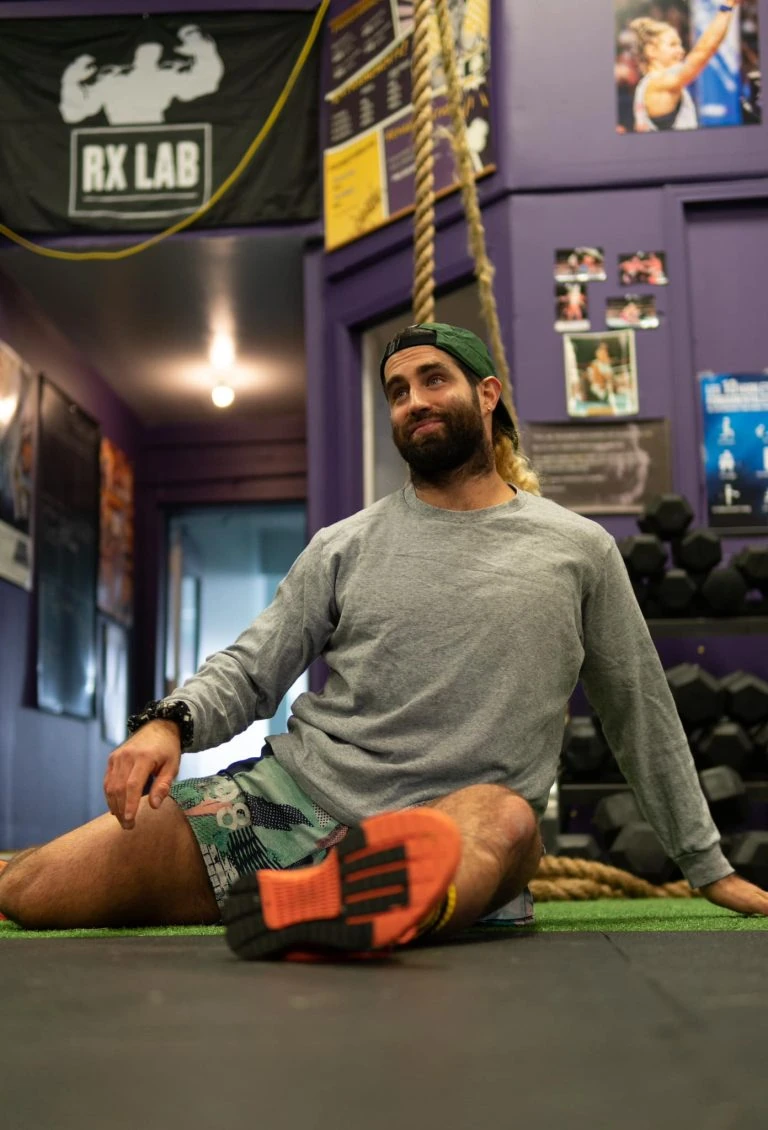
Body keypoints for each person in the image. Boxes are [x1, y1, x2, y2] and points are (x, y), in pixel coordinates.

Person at [2, 322, 767, 956]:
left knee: (510, 823)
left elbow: (640, 709)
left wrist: (706, 865)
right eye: (397, 392)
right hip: (292, 803)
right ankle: (321, 898)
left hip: (456, 826)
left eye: (433, 380)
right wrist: (168, 722)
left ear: (487, 395)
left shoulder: (577, 550)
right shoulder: (345, 545)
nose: (413, 402)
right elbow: (252, 667)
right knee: (35, 891)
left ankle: (356, 896)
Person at [631, 1, 742, 132]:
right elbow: (704, 51)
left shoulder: (644, 88)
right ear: (651, 51)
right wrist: (727, 6)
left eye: (679, 44)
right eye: (673, 45)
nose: (681, 51)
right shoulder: (659, 83)